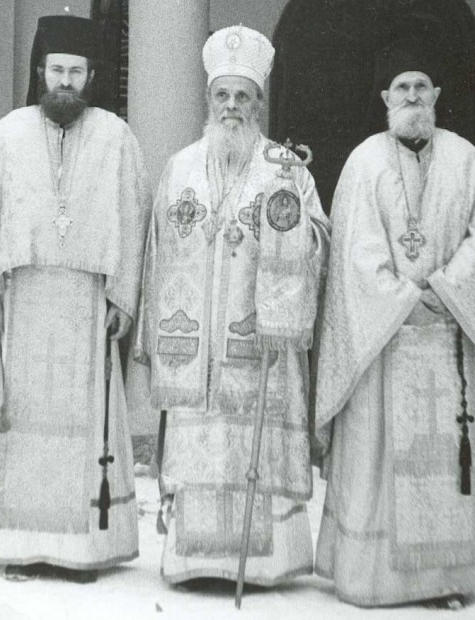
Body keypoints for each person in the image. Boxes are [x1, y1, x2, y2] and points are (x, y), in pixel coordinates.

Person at [313, 41, 475, 609]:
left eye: (421, 87)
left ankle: (447, 578)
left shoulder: (464, 160)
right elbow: (354, 253)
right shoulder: (364, 162)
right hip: (387, 339)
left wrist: (446, 288)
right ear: (386, 98)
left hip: (452, 336)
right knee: (383, 457)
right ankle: (375, 578)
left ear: (436, 96)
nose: (413, 96)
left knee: (447, 459)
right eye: (402, 87)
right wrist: (405, 295)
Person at [132, 25, 330, 586]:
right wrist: (154, 336)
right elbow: (154, 256)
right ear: (208, 99)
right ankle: (193, 560)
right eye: (223, 95)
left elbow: (319, 241)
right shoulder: (180, 169)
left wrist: (291, 232)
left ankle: (268, 563)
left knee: (255, 448)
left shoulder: (287, 169)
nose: (232, 107)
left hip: (257, 341)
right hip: (193, 347)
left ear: (260, 103)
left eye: (244, 96)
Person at [0, 15, 149, 583]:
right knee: (27, 429)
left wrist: (125, 300)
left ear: (91, 76)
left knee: (82, 431)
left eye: (76, 72)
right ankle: (18, 541)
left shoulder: (116, 135)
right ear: (41, 71)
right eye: (57, 70)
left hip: (86, 305)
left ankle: (83, 549)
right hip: (25, 302)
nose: (65, 81)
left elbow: (133, 221)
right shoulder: (11, 132)